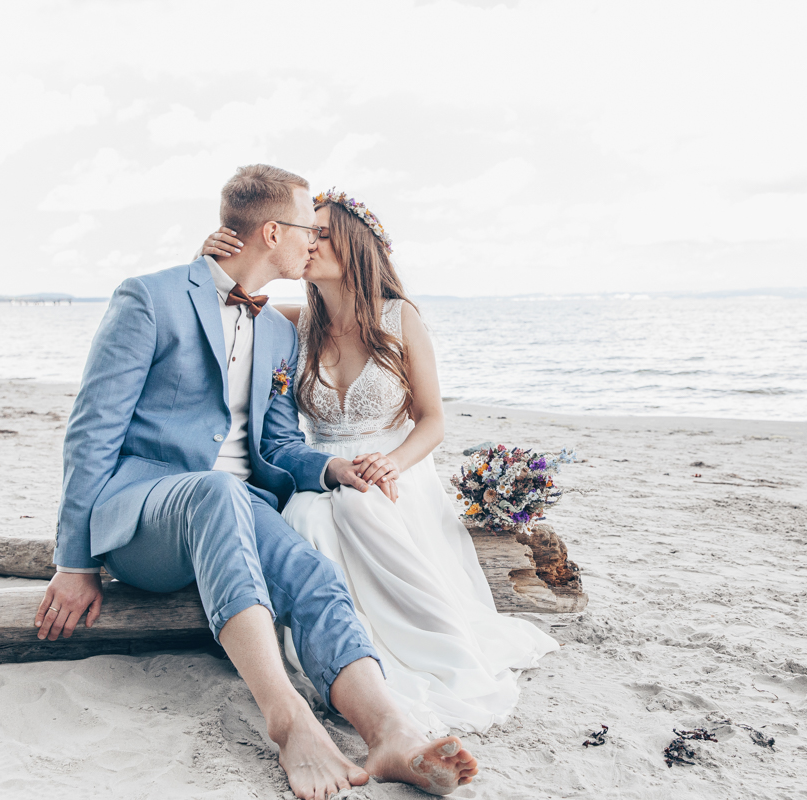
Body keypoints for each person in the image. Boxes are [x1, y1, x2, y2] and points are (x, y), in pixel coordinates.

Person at [36, 164, 478, 800]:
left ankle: (391, 734)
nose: (314, 241)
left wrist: (330, 469)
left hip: (240, 512)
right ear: (273, 232)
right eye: (307, 229)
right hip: (148, 521)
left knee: (312, 571)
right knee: (217, 492)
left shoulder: (278, 330)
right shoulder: (150, 297)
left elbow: (277, 444)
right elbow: (91, 433)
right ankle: (289, 719)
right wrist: (73, 561)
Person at [197, 187, 558, 736]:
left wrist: (393, 462)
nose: (308, 242)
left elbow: (432, 420)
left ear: (355, 245)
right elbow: (230, 299)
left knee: (362, 509)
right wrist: (211, 257)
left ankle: (427, 649)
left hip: (393, 468)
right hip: (321, 471)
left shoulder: (400, 318)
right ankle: (350, 665)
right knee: (308, 518)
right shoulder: (296, 323)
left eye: (321, 233)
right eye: (304, 232)